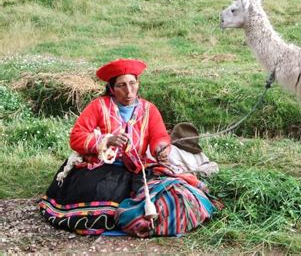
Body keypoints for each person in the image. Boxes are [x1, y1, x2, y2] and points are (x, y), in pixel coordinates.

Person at [39, 58, 218, 236]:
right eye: (121, 85)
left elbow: (160, 136)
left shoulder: (149, 109)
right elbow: (77, 137)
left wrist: (161, 148)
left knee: (169, 192)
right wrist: (106, 141)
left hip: (137, 167)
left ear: (138, 84)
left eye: (132, 83)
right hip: (102, 168)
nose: (129, 91)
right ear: (111, 88)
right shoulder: (98, 107)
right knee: (102, 194)